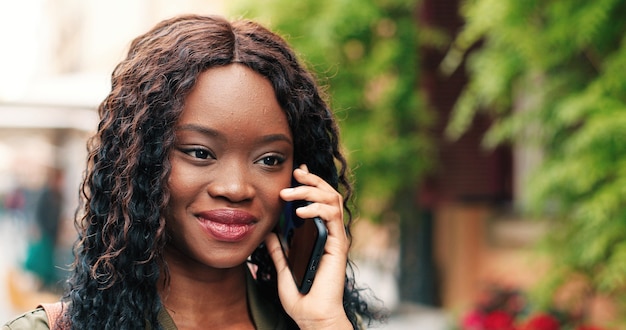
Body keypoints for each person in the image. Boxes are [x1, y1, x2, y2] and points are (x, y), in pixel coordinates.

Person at [3, 14, 383, 329]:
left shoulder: (324, 324)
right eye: (200, 152)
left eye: (269, 160)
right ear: (144, 164)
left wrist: (325, 323)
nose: (236, 188)